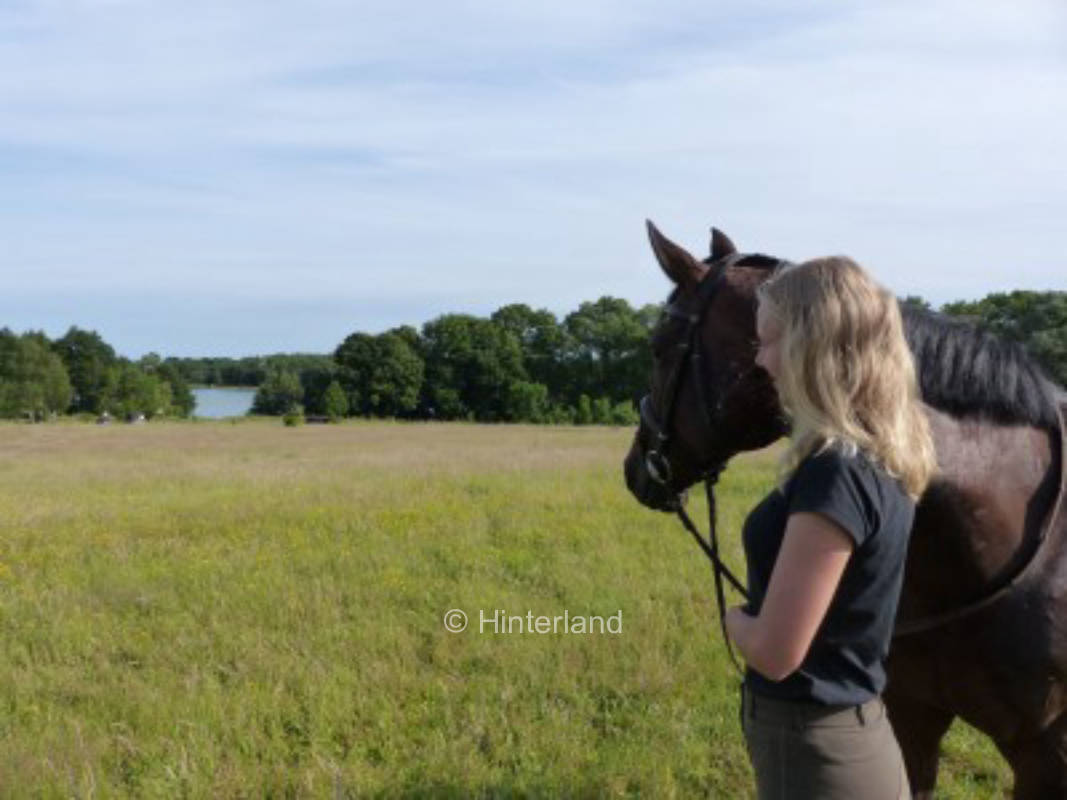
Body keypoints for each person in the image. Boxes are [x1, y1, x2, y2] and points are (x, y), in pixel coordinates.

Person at [723, 256, 937, 800]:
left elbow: (776, 651)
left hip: (813, 747)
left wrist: (732, 621)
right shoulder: (882, 456)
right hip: (854, 735)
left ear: (811, 348)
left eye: (769, 341)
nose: (762, 361)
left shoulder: (835, 474)